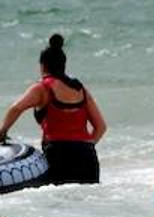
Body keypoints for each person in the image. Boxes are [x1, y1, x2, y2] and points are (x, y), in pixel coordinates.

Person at [0, 34, 107, 185]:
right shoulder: (79, 89)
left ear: (43, 66)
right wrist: (84, 147)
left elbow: (16, 108)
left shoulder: (43, 88)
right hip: (88, 158)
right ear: (64, 65)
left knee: (60, 207)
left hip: (59, 156)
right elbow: (101, 127)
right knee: (87, 206)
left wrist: (2, 132)